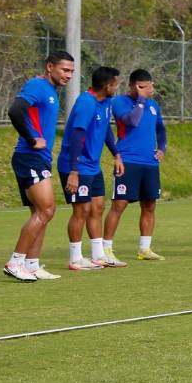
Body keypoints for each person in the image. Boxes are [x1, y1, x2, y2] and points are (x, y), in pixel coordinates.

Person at [4, 51, 75, 282]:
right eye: (65, 70)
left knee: (40, 212)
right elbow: (15, 110)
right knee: (46, 210)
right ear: (50, 67)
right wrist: (32, 139)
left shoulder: (50, 91)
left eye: (72, 71)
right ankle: (15, 262)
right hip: (29, 156)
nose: (69, 75)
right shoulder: (37, 85)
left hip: (39, 159)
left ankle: (32, 265)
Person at [58, 66, 122, 271]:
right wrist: (74, 171)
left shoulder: (107, 102)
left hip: (92, 166)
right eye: (116, 83)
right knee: (81, 210)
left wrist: (117, 155)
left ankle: (98, 255)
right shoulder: (86, 103)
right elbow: (77, 135)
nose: (117, 87)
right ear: (106, 85)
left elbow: (105, 131)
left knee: (97, 207)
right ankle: (75, 258)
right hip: (76, 166)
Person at [103, 68, 167, 263]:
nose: (150, 90)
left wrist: (162, 148)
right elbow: (132, 121)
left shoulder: (154, 105)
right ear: (133, 86)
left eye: (150, 86)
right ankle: (106, 249)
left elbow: (161, 129)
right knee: (119, 204)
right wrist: (140, 99)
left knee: (149, 205)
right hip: (127, 161)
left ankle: (144, 249)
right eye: (144, 87)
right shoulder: (119, 102)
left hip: (149, 163)